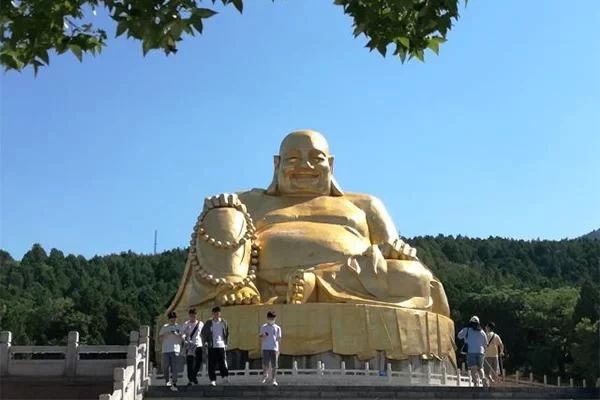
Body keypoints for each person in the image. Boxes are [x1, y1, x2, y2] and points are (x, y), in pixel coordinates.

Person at [200, 306, 230, 386]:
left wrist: (226, 343)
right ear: (212, 314)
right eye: (214, 313)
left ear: (219, 313)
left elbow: (226, 333)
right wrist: (205, 342)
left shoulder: (223, 322)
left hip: (221, 345)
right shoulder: (209, 323)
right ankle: (213, 380)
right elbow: (203, 333)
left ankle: (225, 377)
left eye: (217, 313)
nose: (216, 315)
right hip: (211, 345)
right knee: (211, 364)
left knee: (222, 362)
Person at [457, 316, 489, 387]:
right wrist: (484, 353)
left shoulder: (466, 330)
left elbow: (459, 336)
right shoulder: (482, 332)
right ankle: (483, 379)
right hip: (480, 352)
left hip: (471, 351)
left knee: (473, 368)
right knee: (480, 368)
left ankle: (475, 383)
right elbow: (486, 344)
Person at [159, 311, 182, 392]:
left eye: (174, 319)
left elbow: (182, 338)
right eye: (171, 319)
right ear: (169, 319)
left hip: (175, 349)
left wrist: (176, 334)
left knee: (174, 368)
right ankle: (167, 380)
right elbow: (160, 338)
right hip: (165, 350)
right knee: (165, 367)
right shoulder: (165, 327)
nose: (173, 320)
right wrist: (166, 334)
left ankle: (174, 382)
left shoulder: (179, 327)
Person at [259, 311, 282, 386]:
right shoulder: (264, 326)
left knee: (274, 365)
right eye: (269, 318)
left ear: (275, 318)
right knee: (265, 363)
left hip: (274, 348)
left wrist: (278, 349)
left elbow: (279, 338)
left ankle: (274, 379)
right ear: (267, 318)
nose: (271, 319)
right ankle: (264, 376)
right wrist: (263, 335)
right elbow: (260, 335)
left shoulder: (278, 328)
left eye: (272, 318)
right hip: (265, 347)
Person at [182, 308, 204, 385]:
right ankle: (190, 380)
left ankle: (193, 376)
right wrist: (184, 338)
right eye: (191, 315)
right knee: (190, 363)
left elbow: (203, 333)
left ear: (196, 315)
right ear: (189, 315)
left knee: (199, 362)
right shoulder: (186, 324)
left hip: (198, 344)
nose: (193, 316)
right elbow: (183, 333)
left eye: (194, 315)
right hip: (190, 345)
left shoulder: (200, 324)